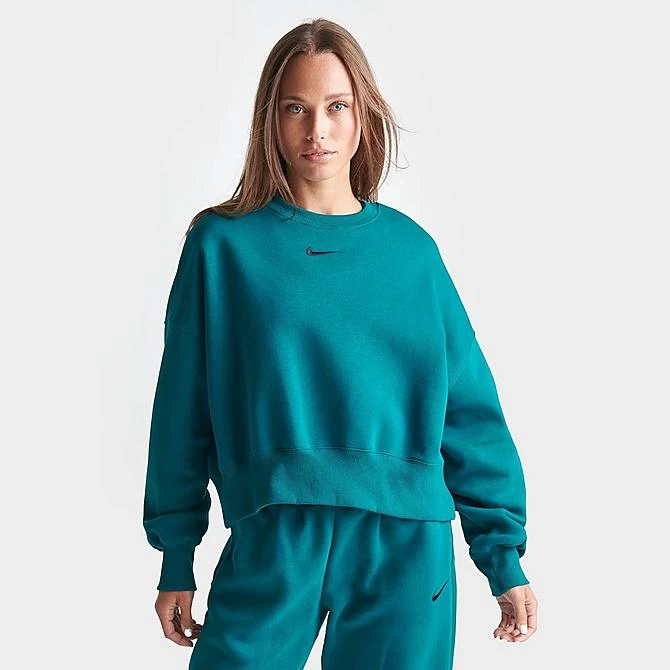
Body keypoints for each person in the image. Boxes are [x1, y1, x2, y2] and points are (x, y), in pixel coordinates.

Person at [142, 17, 538, 670]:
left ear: (362, 117)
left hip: (405, 545)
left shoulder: (412, 254)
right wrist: (176, 554)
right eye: (295, 108)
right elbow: (182, 409)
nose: (317, 131)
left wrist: (503, 557)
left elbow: (469, 412)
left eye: (336, 107)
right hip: (277, 532)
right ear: (270, 120)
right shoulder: (221, 247)